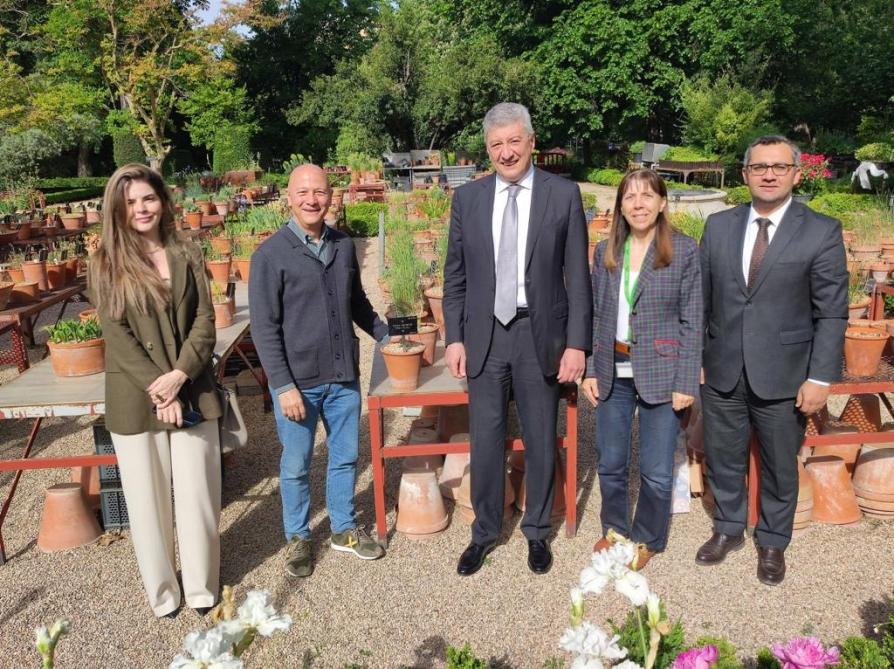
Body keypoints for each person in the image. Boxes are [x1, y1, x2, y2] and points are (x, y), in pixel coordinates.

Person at [443, 102, 592, 576]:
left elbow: (578, 277)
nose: (506, 152)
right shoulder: (468, 199)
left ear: (531, 142)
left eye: (513, 141)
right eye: (496, 144)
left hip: (539, 334)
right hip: (484, 335)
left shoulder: (562, 195)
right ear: (487, 149)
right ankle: (485, 531)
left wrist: (577, 344)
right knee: (486, 439)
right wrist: (453, 338)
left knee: (541, 435)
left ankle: (537, 531)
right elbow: (455, 277)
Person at [697, 135, 848, 585]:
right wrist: (696, 358)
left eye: (779, 167)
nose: (769, 175)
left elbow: (832, 312)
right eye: (760, 167)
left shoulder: (821, 230)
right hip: (723, 368)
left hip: (786, 374)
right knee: (723, 457)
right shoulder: (719, 226)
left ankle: (773, 540)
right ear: (745, 174)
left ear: (796, 175)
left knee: (781, 465)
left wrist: (820, 376)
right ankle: (728, 528)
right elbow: (702, 299)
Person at [88, 163, 223, 619]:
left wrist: (180, 375)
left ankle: (202, 589)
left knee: (198, 496)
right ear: (117, 209)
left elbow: (205, 320)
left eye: (148, 198)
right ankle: (164, 594)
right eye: (130, 202)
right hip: (136, 396)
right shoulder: (105, 263)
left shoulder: (187, 250)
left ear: (163, 200)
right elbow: (118, 337)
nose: (141, 208)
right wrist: (160, 390)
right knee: (147, 505)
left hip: (193, 388)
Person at [249, 163, 388, 578]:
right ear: (289, 199)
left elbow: (356, 302)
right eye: (303, 192)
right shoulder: (270, 256)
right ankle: (298, 536)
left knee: (345, 457)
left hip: (343, 375)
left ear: (330, 196)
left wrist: (386, 335)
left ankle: (343, 528)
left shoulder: (343, 245)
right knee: (296, 464)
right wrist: (283, 385)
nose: (312, 200)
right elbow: (264, 329)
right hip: (299, 384)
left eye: (320, 192)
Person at [580, 170, 702, 570]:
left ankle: (648, 538)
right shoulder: (606, 251)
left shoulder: (683, 250)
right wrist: (591, 369)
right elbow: (597, 314)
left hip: (663, 371)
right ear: (620, 206)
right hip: (612, 367)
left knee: (656, 469)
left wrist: (686, 380)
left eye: (647, 196)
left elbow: (693, 319)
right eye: (630, 197)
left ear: (662, 203)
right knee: (611, 461)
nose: (638, 204)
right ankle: (615, 530)